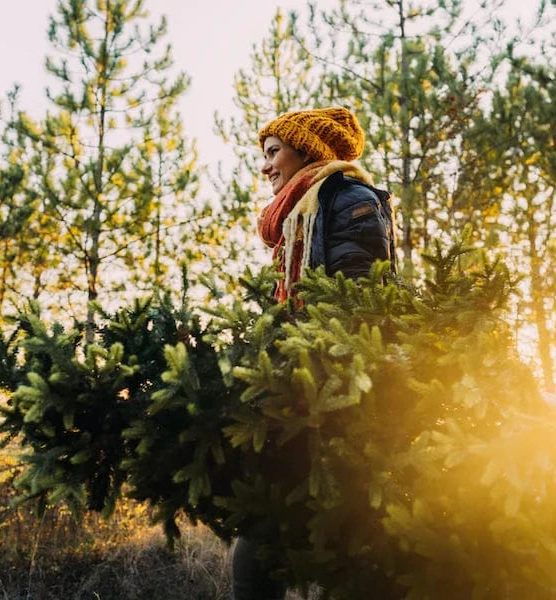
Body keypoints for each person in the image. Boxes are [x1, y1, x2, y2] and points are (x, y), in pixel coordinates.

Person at [232, 107, 396, 600]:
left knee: (333, 532)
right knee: (262, 528)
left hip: (336, 388)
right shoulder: (299, 213)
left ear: (307, 150)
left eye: (273, 152)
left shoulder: (347, 199)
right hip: (298, 381)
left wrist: (309, 368)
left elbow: (356, 297)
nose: (265, 167)